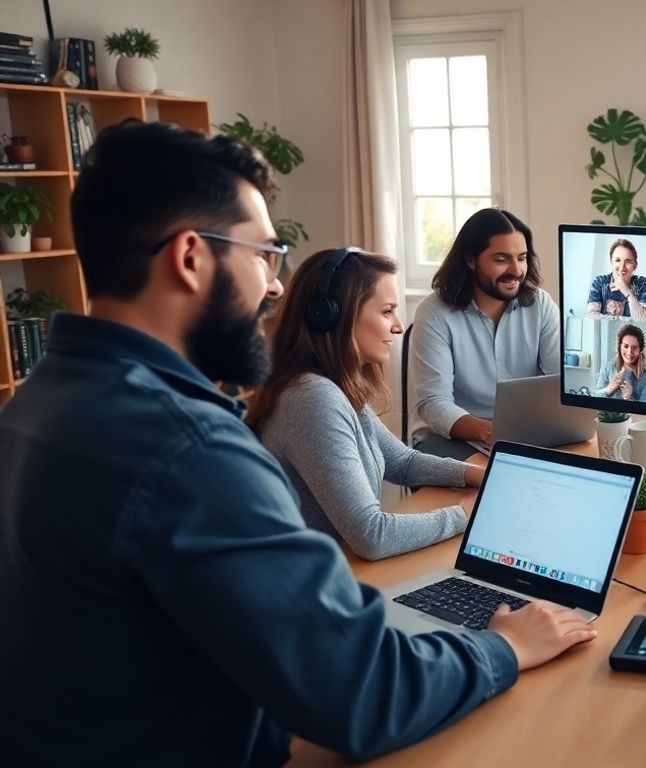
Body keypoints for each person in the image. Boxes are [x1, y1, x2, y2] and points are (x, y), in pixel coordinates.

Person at [0, 121, 595, 766]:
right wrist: (504, 647)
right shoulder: (190, 450)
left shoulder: (35, 403)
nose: (277, 286)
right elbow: (365, 692)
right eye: (263, 255)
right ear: (191, 257)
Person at [249, 249, 485, 561]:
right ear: (334, 314)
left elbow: (403, 463)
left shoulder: (331, 386)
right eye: (387, 311)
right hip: (307, 589)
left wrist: (480, 475)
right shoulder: (312, 398)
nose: (398, 326)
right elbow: (372, 536)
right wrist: (463, 516)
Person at [409, 208, 560, 461]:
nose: (516, 270)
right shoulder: (434, 313)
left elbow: (561, 382)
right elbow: (433, 404)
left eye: (521, 258)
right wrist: (495, 433)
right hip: (448, 440)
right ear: (470, 260)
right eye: (501, 259)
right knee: (493, 484)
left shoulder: (540, 305)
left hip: (522, 437)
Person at [586, 237, 646, 320]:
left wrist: (626, 291)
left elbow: (643, 319)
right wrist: (621, 320)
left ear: (635, 266)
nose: (622, 267)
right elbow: (590, 316)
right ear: (611, 262)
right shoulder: (600, 282)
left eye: (628, 261)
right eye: (617, 260)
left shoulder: (643, 284)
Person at [594, 323, 646, 401]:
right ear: (619, 347)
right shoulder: (608, 367)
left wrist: (629, 398)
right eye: (626, 346)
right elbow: (594, 398)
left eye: (634, 348)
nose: (629, 352)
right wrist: (610, 387)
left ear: (640, 350)